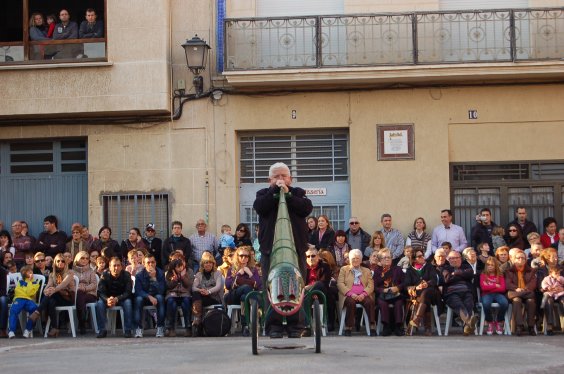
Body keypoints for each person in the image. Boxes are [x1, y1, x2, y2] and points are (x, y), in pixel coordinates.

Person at [253, 162, 313, 338]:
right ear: (269, 179)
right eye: (276, 176)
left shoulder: (298, 193)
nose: (280, 179)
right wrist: (274, 191)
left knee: (297, 286)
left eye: (283, 176)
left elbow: (306, 208)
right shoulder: (263, 194)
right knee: (270, 287)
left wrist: (288, 194)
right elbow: (260, 207)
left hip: (296, 251)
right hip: (270, 251)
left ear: (290, 179)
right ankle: (274, 327)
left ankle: (296, 326)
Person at [34, 253, 75, 337]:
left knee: (52, 295)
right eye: (58, 261)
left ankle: (38, 311)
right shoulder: (52, 274)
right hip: (56, 297)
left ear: (66, 263)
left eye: (63, 261)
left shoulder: (70, 272)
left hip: (68, 298)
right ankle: (55, 328)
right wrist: (46, 290)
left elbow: (63, 284)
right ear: (55, 262)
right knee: (51, 301)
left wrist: (54, 289)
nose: (60, 263)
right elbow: (48, 286)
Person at [337, 249, 376, 336]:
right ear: (349, 260)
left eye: (357, 258)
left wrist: (364, 294)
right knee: (350, 302)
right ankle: (348, 327)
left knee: (370, 302)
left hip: (363, 294)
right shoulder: (344, 269)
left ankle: (372, 325)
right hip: (348, 294)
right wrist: (351, 294)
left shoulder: (366, 270)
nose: (355, 260)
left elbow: (371, 285)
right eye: (353, 258)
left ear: (361, 260)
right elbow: (340, 284)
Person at [225, 246, 261, 337]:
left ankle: (245, 326)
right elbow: (229, 286)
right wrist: (238, 274)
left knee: (244, 297)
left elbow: (258, 285)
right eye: (241, 256)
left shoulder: (253, 269)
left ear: (249, 258)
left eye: (246, 256)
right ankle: (257, 307)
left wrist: (250, 274)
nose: (244, 258)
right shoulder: (232, 269)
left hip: (245, 298)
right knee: (245, 288)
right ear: (237, 256)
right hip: (234, 295)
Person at [406, 248, 441, 336]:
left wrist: (427, 284)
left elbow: (434, 280)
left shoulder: (429, 266)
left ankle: (417, 319)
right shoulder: (410, 270)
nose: (422, 257)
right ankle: (427, 328)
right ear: (414, 259)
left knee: (426, 293)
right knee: (425, 299)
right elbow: (407, 285)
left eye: (422, 255)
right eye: (419, 256)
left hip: (433, 293)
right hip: (418, 295)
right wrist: (416, 287)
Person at [95, 256, 133, 338]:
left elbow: (128, 292)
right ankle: (102, 330)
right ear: (109, 267)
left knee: (128, 303)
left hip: (122, 298)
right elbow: (100, 292)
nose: (116, 268)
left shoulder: (126, 275)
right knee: (99, 304)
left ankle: (128, 330)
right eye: (114, 265)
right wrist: (107, 299)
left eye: (118, 265)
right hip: (108, 298)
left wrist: (117, 298)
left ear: (121, 266)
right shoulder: (104, 275)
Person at [442, 251, 477, 336]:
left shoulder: (466, 266)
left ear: (460, 259)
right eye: (451, 258)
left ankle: (466, 326)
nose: (454, 260)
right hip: (451, 293)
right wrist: (462, 274)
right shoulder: (446, 268)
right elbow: (447, 279)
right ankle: (468, 323)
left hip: (466, 291)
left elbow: (470, 274)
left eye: (456, 258)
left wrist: (456, 273)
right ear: (448, 260)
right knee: (458, 304)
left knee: (469, 302)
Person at [373, 248, 405, 336]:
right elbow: (374, 287)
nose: (387, 259)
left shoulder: (397, 269)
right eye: (384, 258)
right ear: (380, 260)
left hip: (396, 294)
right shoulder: (377, 271)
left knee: (399, 303)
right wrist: (383, 290)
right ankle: (386, 327)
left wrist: (398, 288)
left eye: (389, 257)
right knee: (382, 303)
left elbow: (405, 283)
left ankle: (398, 327)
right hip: (383, 295)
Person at [191, 252, 224, 336]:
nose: (208, 264)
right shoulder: (198, 274)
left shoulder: (218, 273)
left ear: (213, 264)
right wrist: (200, 290)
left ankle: (197, 321)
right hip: (202, 297)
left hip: (214, 298)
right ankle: (198, 321)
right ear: (202, 264)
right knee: (196, 294)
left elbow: (218, 286)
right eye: (206, 263)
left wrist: (208, 291)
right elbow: (194, 287)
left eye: (210, 262)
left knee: (196, 297)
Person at [304, 247, 336, 332]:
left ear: (318, 257)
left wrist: (309, 287)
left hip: (321, 292)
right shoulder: (302, 267)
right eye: (308, 256)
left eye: (313, 256)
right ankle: (306, 325)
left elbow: (324, 282)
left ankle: (329, 322)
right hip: (306, 293)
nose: (310, 258)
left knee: (320, 285)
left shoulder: (325, 266)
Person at [505, 251, 537, 336]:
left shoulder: (531, 270)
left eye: (523, 258)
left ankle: (531, 326)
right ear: (514, 260)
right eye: (518, 258)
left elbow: (533, 284)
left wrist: (524, 289)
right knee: (516, 300)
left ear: (526, 260)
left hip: (526, 292)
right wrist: (516, 288)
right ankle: (519, 326)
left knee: (531, 301)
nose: (520, 259)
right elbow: (508, 284)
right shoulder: (509, 271)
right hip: (516, 292)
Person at [134, 254, 166, 338]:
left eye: (153, 262)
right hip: (145, 297)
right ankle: (138, 328)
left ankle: (160, 327)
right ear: (144, 264)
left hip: (156, 296)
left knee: (160, 298)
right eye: (148, 262)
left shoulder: (161, 274)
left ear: (155, 263)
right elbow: (138, 291)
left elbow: (162, 291)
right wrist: (149, 296)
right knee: (138, 299)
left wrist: (154, 278)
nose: (150, 264)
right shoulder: (139, 275)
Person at [7, 265, 41, 339]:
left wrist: (30, 281)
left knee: (35, 309)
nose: (31, 273)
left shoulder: (35, 283)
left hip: (28, 300)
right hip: (19, 299)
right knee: (13, 310)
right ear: (24, 274)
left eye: (31, 271)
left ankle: (28, 329)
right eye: (28, 272)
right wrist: (25, 291)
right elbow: (17, 291)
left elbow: (30, 293)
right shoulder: (20, 281)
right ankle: (11, 331)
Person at [165, 256, 193, 337]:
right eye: (177, 267)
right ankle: (171, 328)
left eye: (181, 266)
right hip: (172, 295)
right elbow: (168, 287)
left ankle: (188, 327)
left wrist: (183, 277)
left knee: (186, 302)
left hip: (185, 294)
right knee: (171, 303)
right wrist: (174, 280)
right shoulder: (168, 273)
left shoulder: (189, 272)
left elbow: (189, 286)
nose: (180, 268)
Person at [479, 257, 508, 335]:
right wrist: (495, 285)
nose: (490, 266)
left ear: (496, 266)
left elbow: (502, 289)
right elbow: (483, 288)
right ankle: (490, 322)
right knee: (486, 304)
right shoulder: (483, 275)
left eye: (492, 265)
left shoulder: (500, 275)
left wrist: (489, 286)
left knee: (504, 303)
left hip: (498, 294)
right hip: (486, 294)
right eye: (488, 265)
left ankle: (499, 321)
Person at [72, 251, 97, 334]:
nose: (85, 260)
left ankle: (82, 322)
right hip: (76, 294)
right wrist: (78, 288)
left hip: (90, 294)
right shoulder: (71, 271)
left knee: (80, 295)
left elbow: (94, 284)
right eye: (82, 258)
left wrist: (85, 288)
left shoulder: (91, 271)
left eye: (87, 258)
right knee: (79, 294)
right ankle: (83, 320)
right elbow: (70, 285)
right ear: (77, 259)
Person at [540, 266, 564, 335]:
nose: (558, 275)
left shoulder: (561, 278)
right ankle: (549, 325)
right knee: (548, 301)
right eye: (556, 273)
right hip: (550, 293)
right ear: (550, 273)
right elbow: (543, 285)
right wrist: (548, 287)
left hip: (559, 294)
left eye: (559, 273)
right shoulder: (546, 279)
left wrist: (562, 288)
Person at [0, 265, 8, 338]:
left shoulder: (2, 271)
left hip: (0, 294)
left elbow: (3, 289)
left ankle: (2, 329)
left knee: (3, 301)